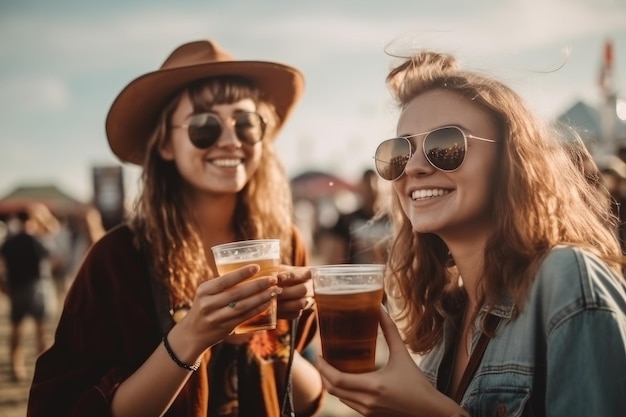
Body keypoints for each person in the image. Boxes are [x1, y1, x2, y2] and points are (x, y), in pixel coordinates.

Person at [316, 49, 626, 416]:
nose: (413, 167)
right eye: (399, 152)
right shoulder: (449, 316)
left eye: (445, 146)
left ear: (510, 161)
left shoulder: (566, 278)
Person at [28, 39, 323, 417]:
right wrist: (193, 336)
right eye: (204, 125)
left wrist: (262, 338)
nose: (231, 140)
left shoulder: (284, 244)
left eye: (247, 123)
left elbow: (308, 400)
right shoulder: (117, 260)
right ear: (165, 143)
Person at [0, 204, 59, 382]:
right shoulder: (39, 240)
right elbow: (56, 259)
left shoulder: (9, 242)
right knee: (41, 332)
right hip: (38, 287)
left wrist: (3, 286)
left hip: (17, 288)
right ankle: (45, 371)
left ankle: (17, 369)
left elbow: (1, 268)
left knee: (16, 331)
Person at [318, 169, 391, 264]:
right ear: (361, 190)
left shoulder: (396, 220)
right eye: (368, 189)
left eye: (374, 190)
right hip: (355, 276)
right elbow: (334, 259)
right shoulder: (346, 221)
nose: (372, 193)